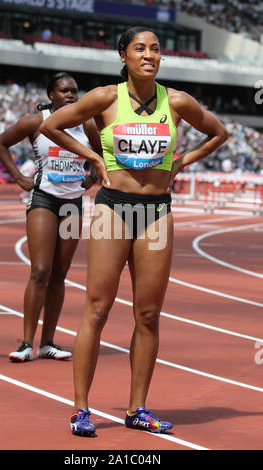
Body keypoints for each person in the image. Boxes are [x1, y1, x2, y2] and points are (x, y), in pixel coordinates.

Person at [40, 27, 228, 436]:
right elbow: (51, 126)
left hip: (157, 213)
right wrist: (93, 157)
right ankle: (81, 409)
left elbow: (218, 133)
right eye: (140, 49)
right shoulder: (105, 98)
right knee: (98, 308)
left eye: (156, 49)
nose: (149, 55)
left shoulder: (176, 101)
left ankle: (136, 408)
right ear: (123, 55)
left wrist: (184, 160)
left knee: (147, 314)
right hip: (114, 210)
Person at [0, 72, 100, 363]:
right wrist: (17, 176)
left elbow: (102, 155)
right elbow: (0, 144)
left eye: (74, 91)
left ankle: (48, 343)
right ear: (51, 94)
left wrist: (92, 178)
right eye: (64, 90)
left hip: (72, 204)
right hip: (43, 198)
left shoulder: (86, 123)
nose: (70, 95)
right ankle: (26, 343)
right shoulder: (35, 122)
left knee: (60, 274)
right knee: (40, 270)